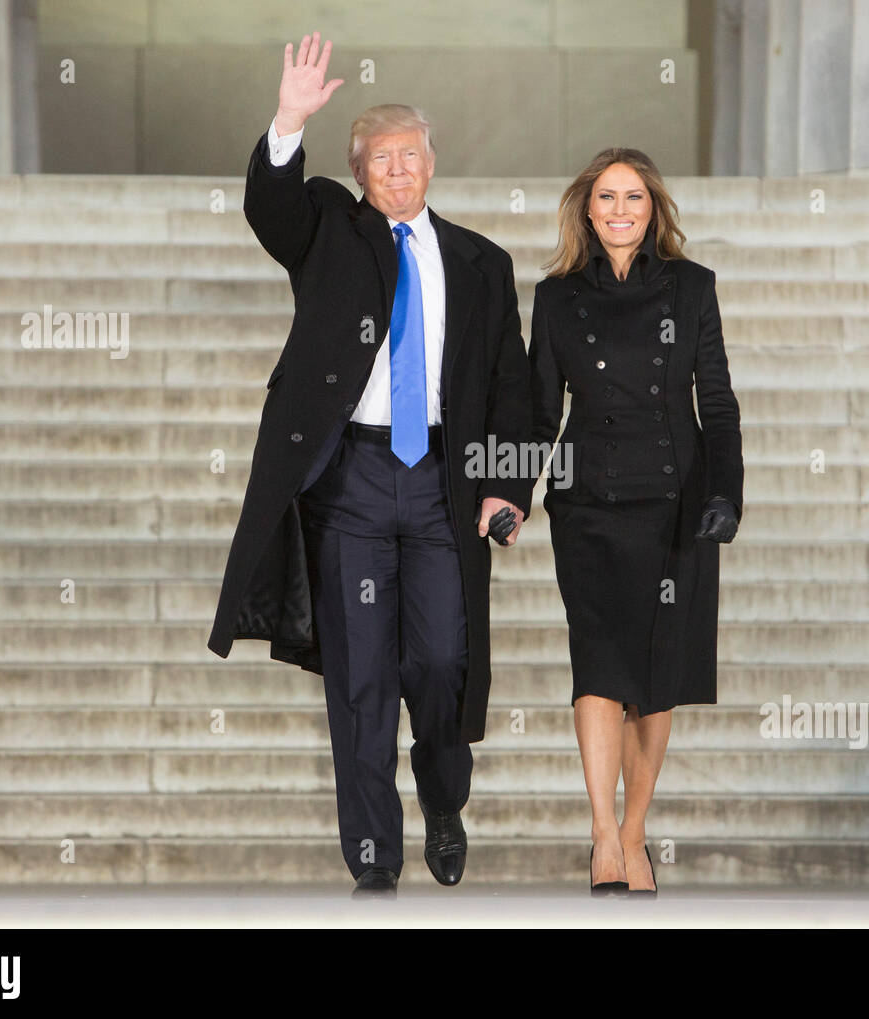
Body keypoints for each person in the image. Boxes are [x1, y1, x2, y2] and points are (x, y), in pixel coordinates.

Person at [207, 34, 532, 897]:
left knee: (439, 662)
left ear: (433, 162)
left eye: (409, 156)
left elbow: (514, 385)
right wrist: (288, 120)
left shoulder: (481, 264)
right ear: (358, 172)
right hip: (350, 481)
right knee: (360, 676)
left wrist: (509, 483)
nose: (397, 171)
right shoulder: (327, 232)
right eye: (380, 160)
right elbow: (270, 208)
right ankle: (372, 852)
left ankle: (444, 801)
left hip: (441, 489)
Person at [528, 148, 743, 895]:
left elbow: (715, 400)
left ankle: (634, 830)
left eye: (634, 198)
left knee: (655, 679)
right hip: (585, 501)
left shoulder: (692, 288)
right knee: (597, 664)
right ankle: (599, 833)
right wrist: (506, 492)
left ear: (653, 209)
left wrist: (725, 492)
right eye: (607, 197)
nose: (620, 210)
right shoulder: (555, 298)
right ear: (586, 209)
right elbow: (535, 407)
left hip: (674, 503)